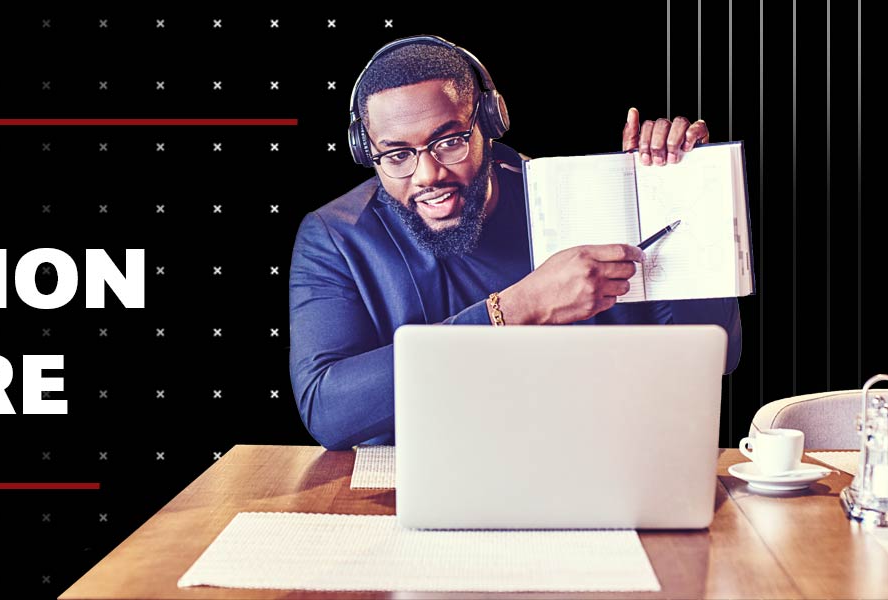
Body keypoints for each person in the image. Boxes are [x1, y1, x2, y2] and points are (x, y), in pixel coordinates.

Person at [288, 36, 743, 450]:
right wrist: (515, 309)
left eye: (449, 142)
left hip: (588, 468)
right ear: (368, 152)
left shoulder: (581, 199)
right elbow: (328, 411)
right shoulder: (335, 236)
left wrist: (679, 194)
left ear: (489, 122)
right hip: (418, 486)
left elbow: (714, 353)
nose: (427, 176)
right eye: (397, 155)